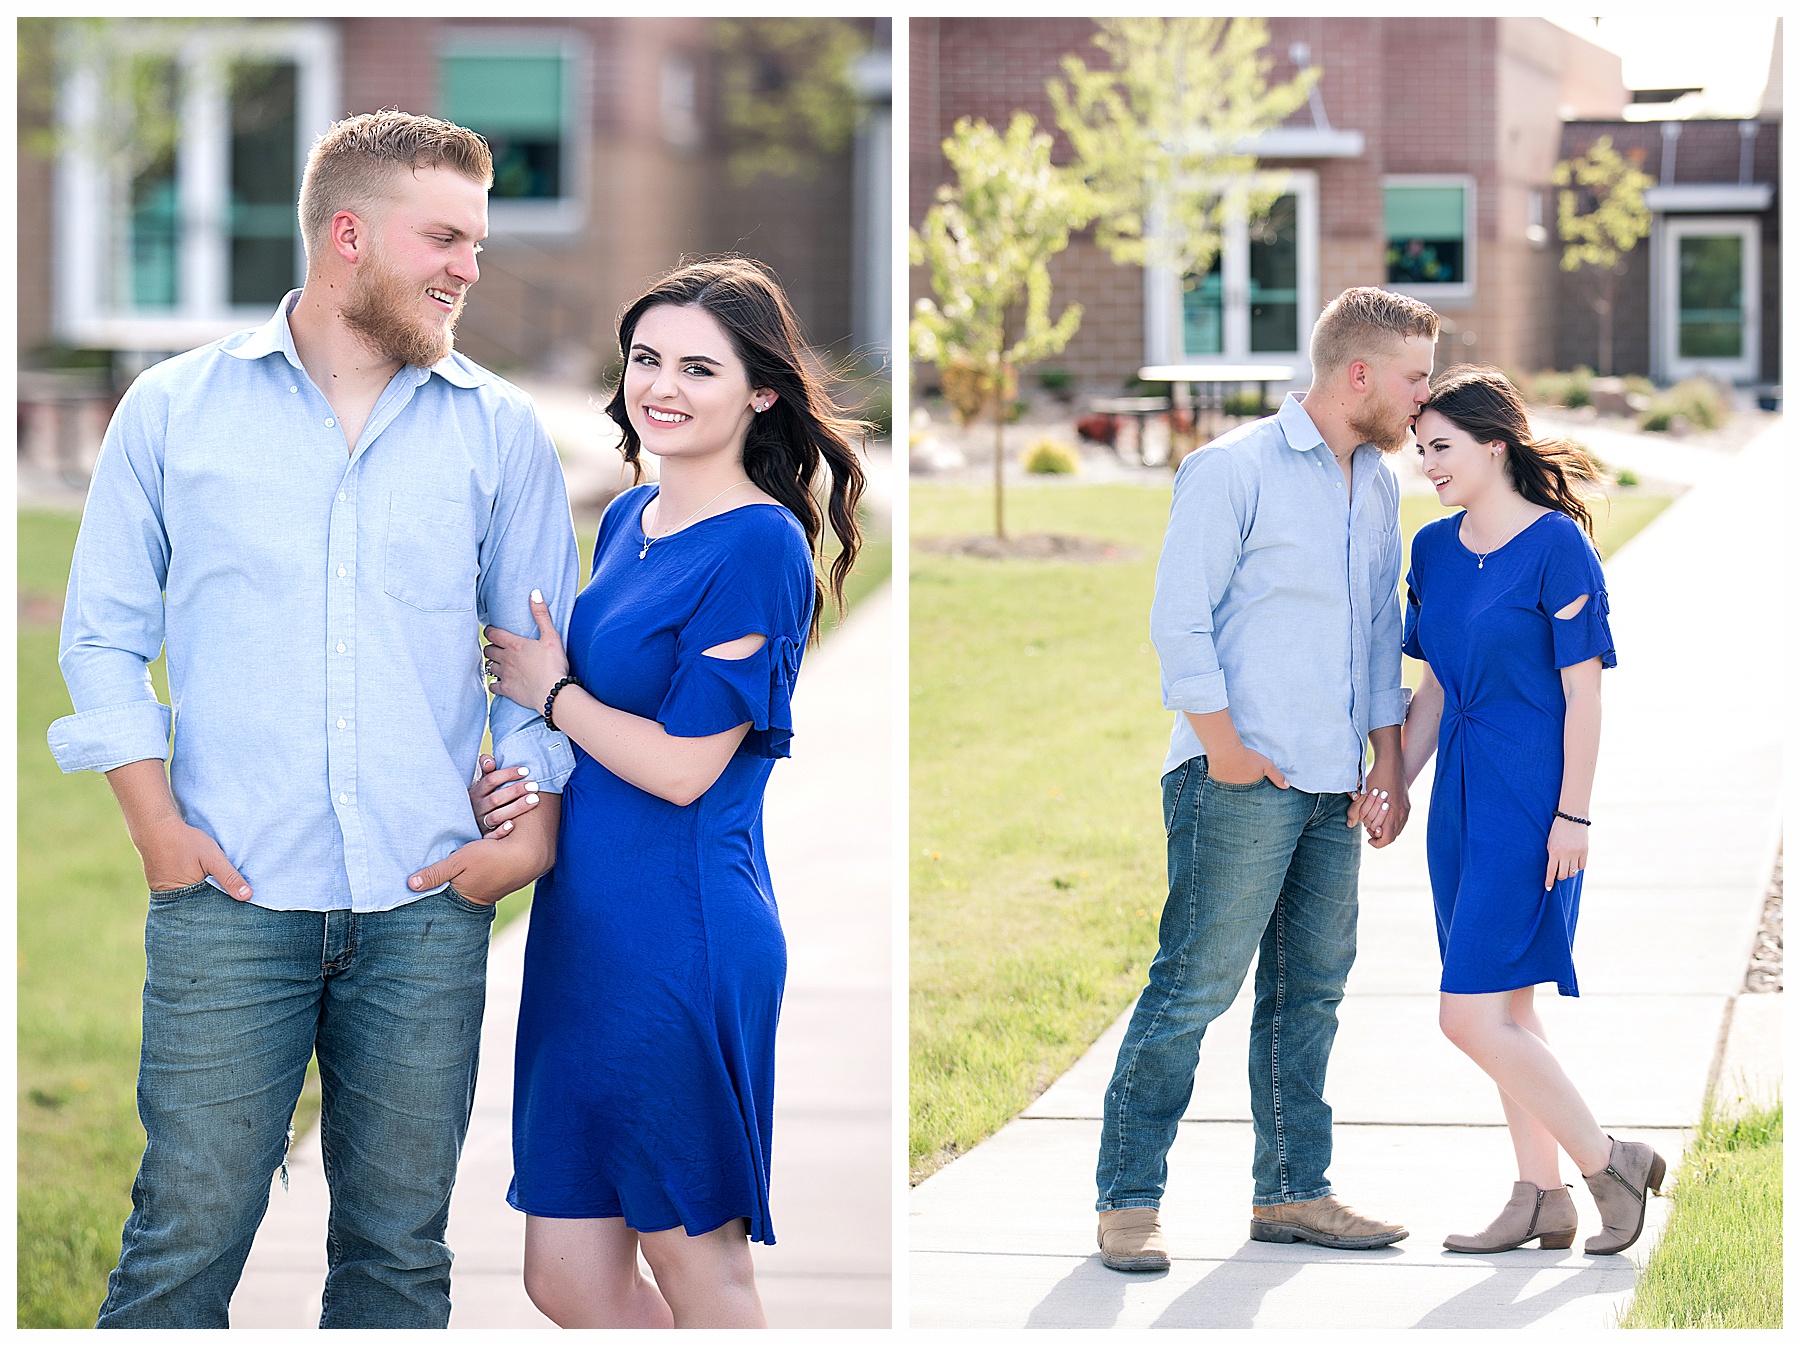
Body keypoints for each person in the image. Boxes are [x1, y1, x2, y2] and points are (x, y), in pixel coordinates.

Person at [49, 111, 578, 1328]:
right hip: (228, 903)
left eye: (479, 242)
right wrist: (157, 832)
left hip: (426, 907)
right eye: (444, 237)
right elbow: (105, 636)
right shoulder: (175, 411)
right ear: (349, 235)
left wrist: (532, 813)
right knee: (182, 1240)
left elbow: (540, 656)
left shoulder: (497, 429)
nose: (469, 267)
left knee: (398, 1257)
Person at [457, 257, 866, 1327]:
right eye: (646, 359)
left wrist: (555, 698)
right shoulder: (632, 518)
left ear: (761, 391)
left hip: (680, 935)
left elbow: (687, 765)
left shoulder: (761, 542)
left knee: (702, 1266)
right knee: (568, 1276)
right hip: (583, 934)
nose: (661, 386)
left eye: (698, 366)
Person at [1094, 287, 1439, 1272]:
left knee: (1312, 990)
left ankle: (1294, 1188)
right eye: (1415, 378)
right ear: (1359, 373)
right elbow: (1180, 621)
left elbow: (1378, 632)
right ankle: (1129, 1198)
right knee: (1195, 984)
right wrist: (1228, 745)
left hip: (1337, 783)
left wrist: (1386, 764)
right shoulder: (1229, 468)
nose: (1424, 399)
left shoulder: (1375, 483)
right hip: (1235, 777)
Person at [1400, 366, 1664, 1255]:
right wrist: (1394, 776)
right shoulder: (1432, 551)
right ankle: (1540, 1197)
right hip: (1457, 802)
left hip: (1531, 803)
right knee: (1505, 1009)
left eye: (1441, 447)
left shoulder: (1558, 547)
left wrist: (1574, 818)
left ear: (1494, 446)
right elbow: (1432, 686)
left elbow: (1583, 697)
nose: (1427, 465)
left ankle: (1608, 1163)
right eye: (1420, 449)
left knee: (1467, 1015)